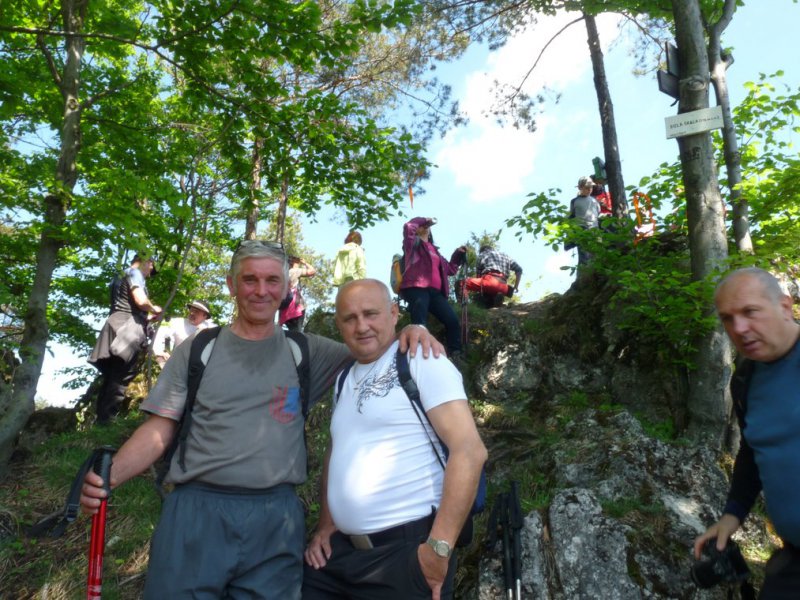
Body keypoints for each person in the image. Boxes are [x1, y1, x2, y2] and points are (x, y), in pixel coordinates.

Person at [79, 241, 442, 600]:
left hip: (277, 521)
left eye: (272, 281)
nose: (261, 290)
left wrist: (412, 331)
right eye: (249, 279)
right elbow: (160, 428)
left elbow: (373, 346)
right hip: (195, 512)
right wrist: (109, 477)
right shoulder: (199, 349)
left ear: (285, 288)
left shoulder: (306, 351)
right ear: (231, 285)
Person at [303, 279, 487, 600]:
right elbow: (338, 450)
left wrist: (438, 550)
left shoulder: (421, 359)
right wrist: (327, 523)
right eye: (350, 318)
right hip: (341, 555)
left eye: (371, 314)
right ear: (339, 325)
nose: (362, 326)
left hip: (405, 556)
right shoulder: (344, 378)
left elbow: (469, 451)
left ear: (393, 313)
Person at [693, 267, 800, 598]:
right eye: (728, 318)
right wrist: (732, 515)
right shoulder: (745, 379)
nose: (738, 328)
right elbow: (754, 451)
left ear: (785, 307)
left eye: (750, 311)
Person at [88, 253, 162, 424]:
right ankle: (107, 421)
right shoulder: (135, 273)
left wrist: (146, 317)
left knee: (111, 375)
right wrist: (154, 309)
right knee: (122, 375)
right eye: (151, 267)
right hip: (127, 328)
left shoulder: (119, 275)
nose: (150, 273)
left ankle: (101, 421)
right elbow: (140, 300)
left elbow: (126, 304)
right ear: (146, 261)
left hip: (115, 324)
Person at [399, 217, 467, 358]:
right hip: (417, 287)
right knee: (420, 322)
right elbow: (408, 226)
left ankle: (455, 353)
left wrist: (458, 254)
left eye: (427, 226)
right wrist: (424, 220)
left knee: (452, 320)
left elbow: (451, 270)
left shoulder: (435, 251)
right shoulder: (412, 245)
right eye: (423, 226)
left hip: (436, 292)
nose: (425, 227)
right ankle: (419, 354)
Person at [152, 300, 214, 367]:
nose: (192, 313)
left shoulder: (212, 330)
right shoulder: (177, 323)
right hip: (178, 365)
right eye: (191, 310)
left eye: (197, 311)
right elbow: (159, 335)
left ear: (205, 316)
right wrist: (160, 356)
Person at [464, 244, 523, 309]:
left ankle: (462, 306)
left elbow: (479, 277)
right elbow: (519, 269)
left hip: (489, 282)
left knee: (463, 283)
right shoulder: (505, 256)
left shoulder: (482, 255)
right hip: (504, 287)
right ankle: (496, 299)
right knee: (491, 291)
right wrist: (516, 286)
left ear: (482, 251)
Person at [567, 176, 600, 266]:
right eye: (587, 187)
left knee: (597, 253)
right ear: (580, 188)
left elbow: (598, 212)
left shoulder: (594, 201)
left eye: (591, 187)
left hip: (595, 231)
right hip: (582, 231)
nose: (589, 189)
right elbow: (572, 215)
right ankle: (584, 269)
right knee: (584, 255)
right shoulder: (574, 201)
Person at [280, 255, 317, 331]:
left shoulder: (282, 274)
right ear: (294, 263)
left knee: (286, 334)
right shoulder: (294, 271)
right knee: (297, 334)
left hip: (284, 311)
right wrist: (305, 263)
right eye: (298, 262)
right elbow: (312, 271)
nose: (299, 264)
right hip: (295, 308)